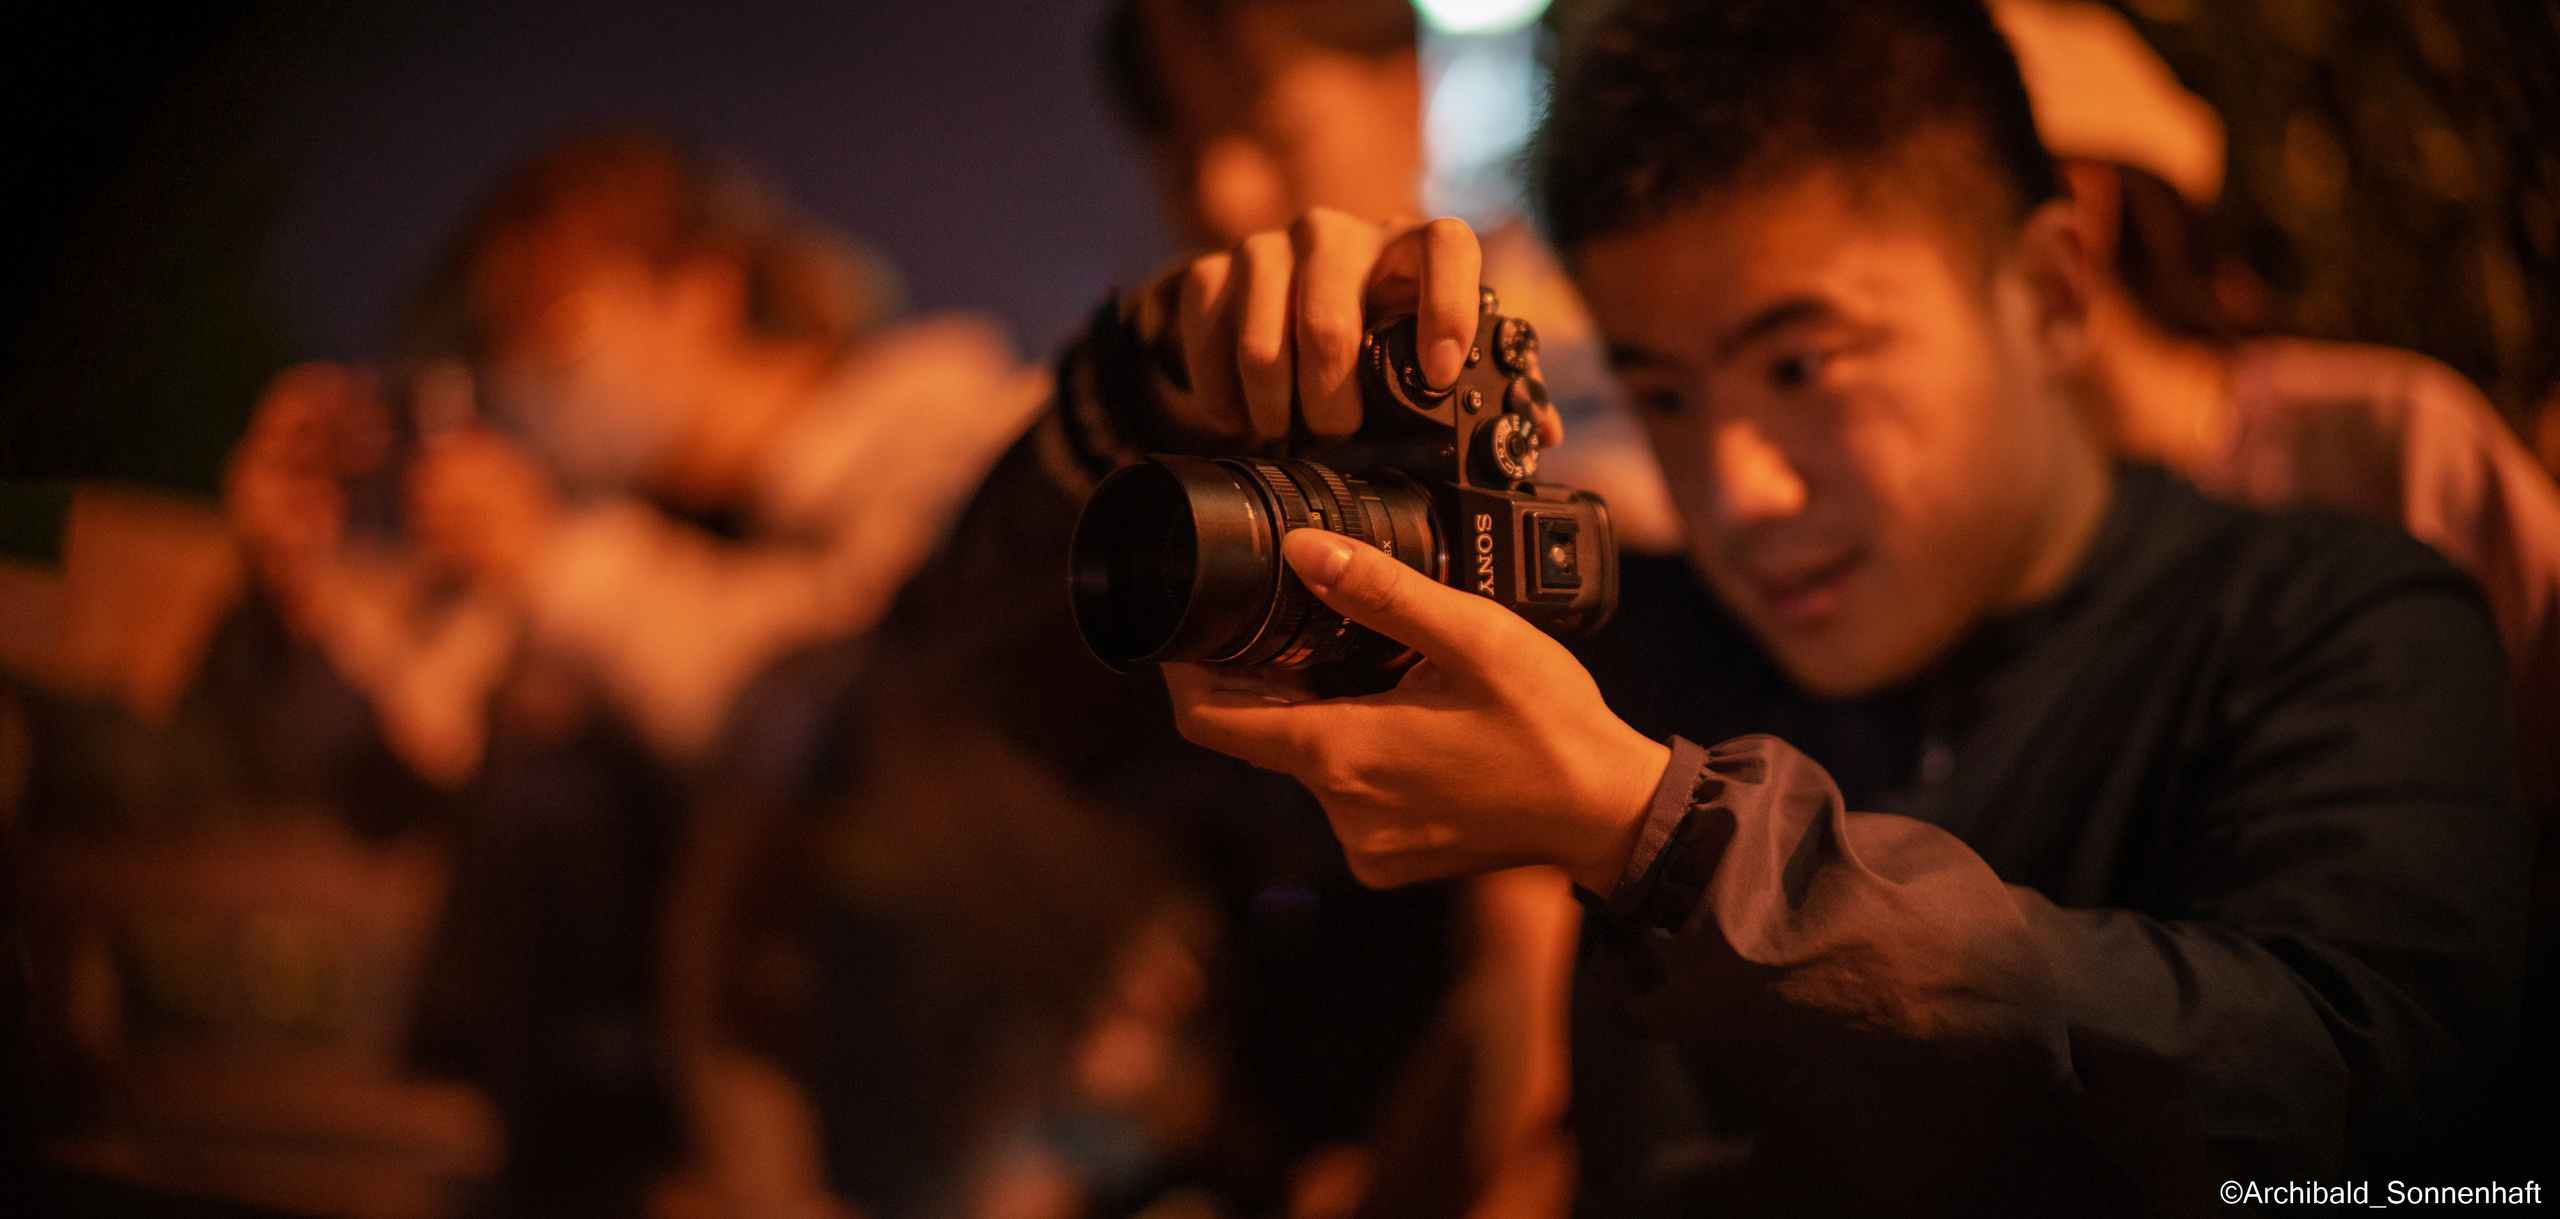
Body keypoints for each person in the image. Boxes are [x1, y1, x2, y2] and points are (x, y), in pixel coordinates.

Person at [1064, 0, 2526, 1209]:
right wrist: (1147, 381)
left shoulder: (2343, 620)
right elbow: (1030, 720)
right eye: (1663, 393)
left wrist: (1665, 846)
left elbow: (2369, 1117)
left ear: (2053, 292)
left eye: (1801, 366)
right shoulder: (1665, 641)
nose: (1737, 486)